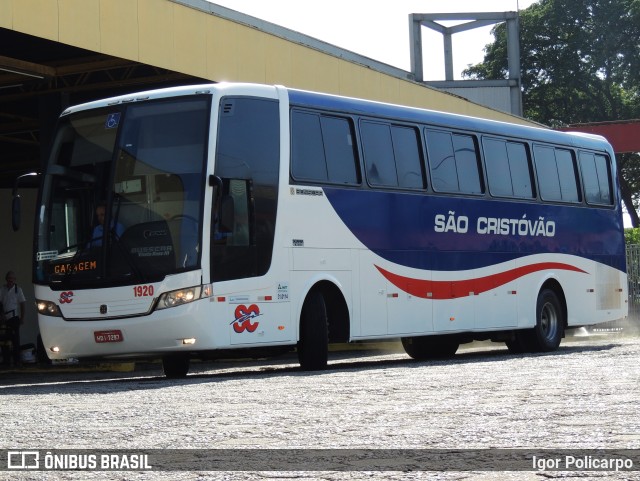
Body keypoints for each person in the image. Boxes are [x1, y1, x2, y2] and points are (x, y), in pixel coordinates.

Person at [0, 270, 26, 367]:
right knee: (4, 340)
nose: (10, 280)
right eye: (9, 278)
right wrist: (1, 314)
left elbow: (23, 304)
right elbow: (0, 303)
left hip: (14, 317)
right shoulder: (2, 289)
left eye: (12, 279)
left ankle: (17, 361)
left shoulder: (18, 289)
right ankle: (6, 360)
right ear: (6, 279)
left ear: (15, 280)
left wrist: (22, 318)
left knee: (15, 339)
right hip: (4, 317)